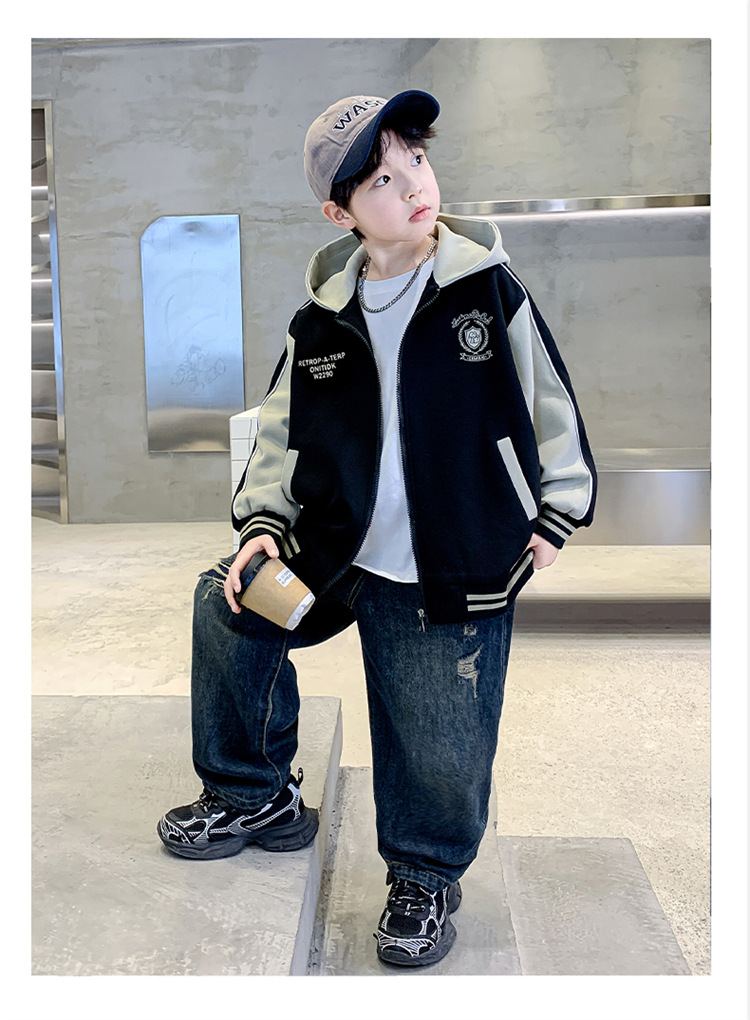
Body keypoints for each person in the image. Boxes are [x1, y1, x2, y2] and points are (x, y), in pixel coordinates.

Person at [157, 90, 597, 968]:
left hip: (446, 562)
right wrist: (263, 524)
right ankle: (253, 792)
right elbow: (279, 429)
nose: (414, 187)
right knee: (228, 605)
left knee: (438, 739)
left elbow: (550, 402)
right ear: (342, 212)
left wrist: (558, 510)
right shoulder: (322, 316)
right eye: (383, 181)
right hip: (332, 552)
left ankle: (425, 876)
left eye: (417, 163)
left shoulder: (487, 290)